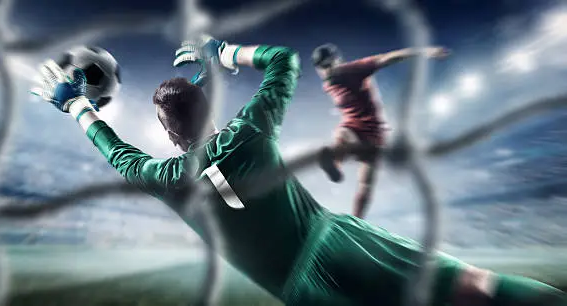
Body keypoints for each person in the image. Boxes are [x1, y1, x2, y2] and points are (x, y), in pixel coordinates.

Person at [31, 35, 565, 306]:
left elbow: (116, 151)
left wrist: (76, 106)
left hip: (301, 287)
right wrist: (223, 51)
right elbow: (285, 60)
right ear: (208, 107)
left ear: (169, 133)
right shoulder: (249, 131)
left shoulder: (167, 178)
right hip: (336, 238)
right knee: (476, 288)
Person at [312, 43, 450, 218]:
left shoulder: (354, 69)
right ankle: (335, 169)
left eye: (329, 65)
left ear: (337, 61)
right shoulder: (328, 84)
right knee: (342, 135)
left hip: (374, 131)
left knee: (366, 183)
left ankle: (357, 221)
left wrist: (425, 52)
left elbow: (387, 57)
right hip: (352, 125)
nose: (327, 72)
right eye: (322, 68)